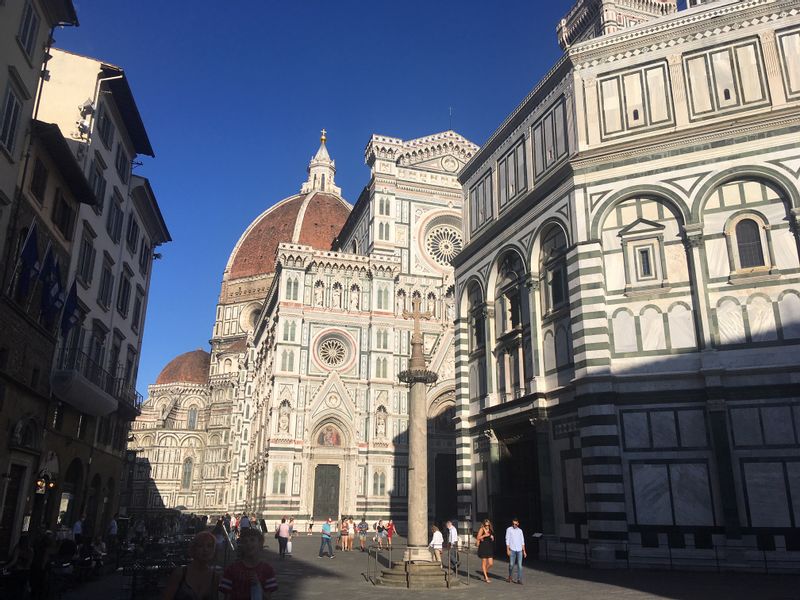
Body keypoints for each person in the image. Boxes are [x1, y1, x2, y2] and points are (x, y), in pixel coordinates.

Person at [219, 528, 276, 600]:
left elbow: (268, 597)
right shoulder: (231, 570)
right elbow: (227, 596)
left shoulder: (268, 570)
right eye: (245, 541)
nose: (248, 543)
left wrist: (258, 587)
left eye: (252, 540)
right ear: (241, 545)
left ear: (260, 543)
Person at [505, 518, 526, 585]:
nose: (514, 525)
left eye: (516, 524)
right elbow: (507, 539)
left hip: (519, 550)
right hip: (512, 549)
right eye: (513, 524)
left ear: (518, 524)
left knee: (520, 565)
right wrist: (507, 549)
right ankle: (510, 576)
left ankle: (519, 579)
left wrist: (524, 551)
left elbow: (522, 541)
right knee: (511, 564)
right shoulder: (509, 529)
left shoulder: (520, 531)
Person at [476, 519, 495, 583]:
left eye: (488, 525)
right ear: (484, 524)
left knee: (491, 563)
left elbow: (491, 537)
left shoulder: (490, 529)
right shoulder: (481, 529)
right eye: (486, 525)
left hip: (489, 547)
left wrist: (492, 537)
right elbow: (478, 537)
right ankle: (486, 577)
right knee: (484, 562)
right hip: (483, 547)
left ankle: (485, 572)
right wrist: (484, 535)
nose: (487, 526)